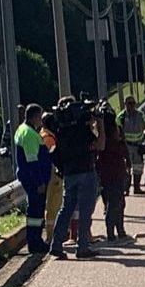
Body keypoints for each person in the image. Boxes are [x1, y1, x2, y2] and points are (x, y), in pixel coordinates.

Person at [49, 99, 106, 260]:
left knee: (66, 209)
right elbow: (100, 145)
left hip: (69, 174)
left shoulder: (61, 130)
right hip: (86, 172)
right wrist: (99, 122)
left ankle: (56, 245)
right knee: (85, 211)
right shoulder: (83, 130)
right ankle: (82, 247)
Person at [13, 104, 51, 254]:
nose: (41, 121)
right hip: (34, 180)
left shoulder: (22, 129)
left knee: (35, 210)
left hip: (29, 177)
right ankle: (35, 242)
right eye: (39, 117)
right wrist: (40, 182)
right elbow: (33, 162)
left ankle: (35, 239)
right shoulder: (29, 134)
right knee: (36, 211)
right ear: (35, 117)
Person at [96, 110, 131, 243]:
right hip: (113, 170)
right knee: (115, 203)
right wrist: (127, 161)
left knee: (116, 202)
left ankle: (119, 231)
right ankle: (113, 232)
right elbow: (121, 148)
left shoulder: (100, 132)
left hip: (107, 171)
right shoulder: (106, 134)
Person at [39, 111, 63, 241]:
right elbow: (53, 157)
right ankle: (51, 237)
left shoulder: (42, 135)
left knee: (52, 207)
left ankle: (52, 235)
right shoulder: (48, 138)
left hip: (48, 176)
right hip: (53, 176)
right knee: (54, 206)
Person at [118, 95, 145, 194]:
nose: (132, 106)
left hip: (138, 145)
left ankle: (137, 188)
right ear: (125, 104)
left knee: (138, 168)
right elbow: (117, 131)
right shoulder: (121, 116)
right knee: (127, 168)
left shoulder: (140, 115)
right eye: (129, 103)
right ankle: (126, 189)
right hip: (126, 146)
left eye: (133, 103)